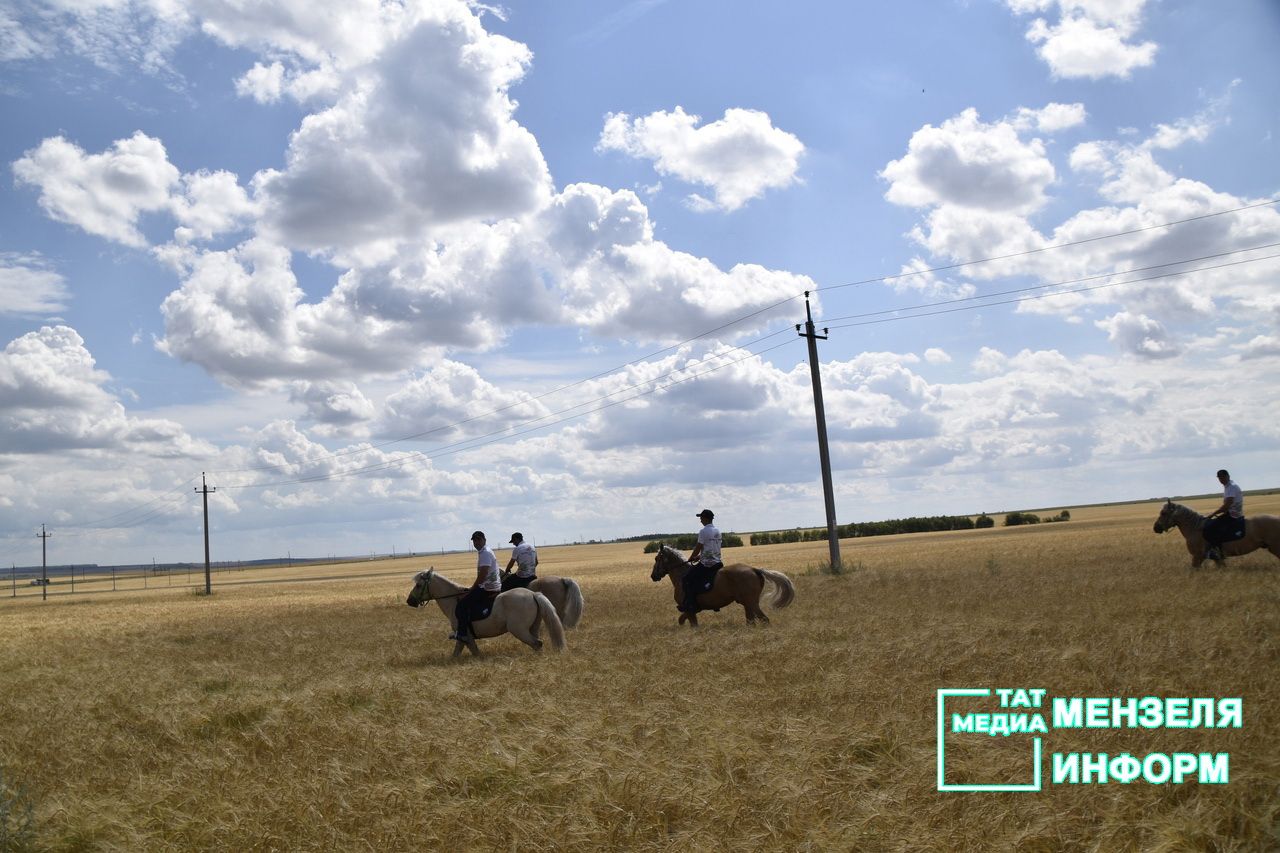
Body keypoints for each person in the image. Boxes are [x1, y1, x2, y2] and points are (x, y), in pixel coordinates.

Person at [452, 530, 502, 641]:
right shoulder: (485, 551)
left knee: (461, 605)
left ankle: (462, 634)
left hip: (488, 588)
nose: (476, 542)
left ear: (484, 540)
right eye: (474, 540)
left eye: (479, 539)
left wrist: (471, 590)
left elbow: (482, 575)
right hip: (490, 585)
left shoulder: (485, 553)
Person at [681, 509, 723, 613]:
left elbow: (699, 547)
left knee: (686, 579)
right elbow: (711, 549)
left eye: (701, 518)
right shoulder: (718, 531)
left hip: (707, 564)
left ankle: (691, 605)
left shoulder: (703, 531)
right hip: (718, 563)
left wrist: (691, 557)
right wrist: (699, 557)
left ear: (705, 518)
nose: (700, 520)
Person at [1203, 469, 1245, 561]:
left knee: (1209, 528)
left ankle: (1217, 552)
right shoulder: (1228, 486)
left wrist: (1212, 514)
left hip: (1233, 515)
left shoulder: (1232, 487)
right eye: (1219, 478)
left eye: (1223, 477)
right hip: (1231, 513)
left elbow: (1226, 506)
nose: (1221, 479)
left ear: (1228, 476)